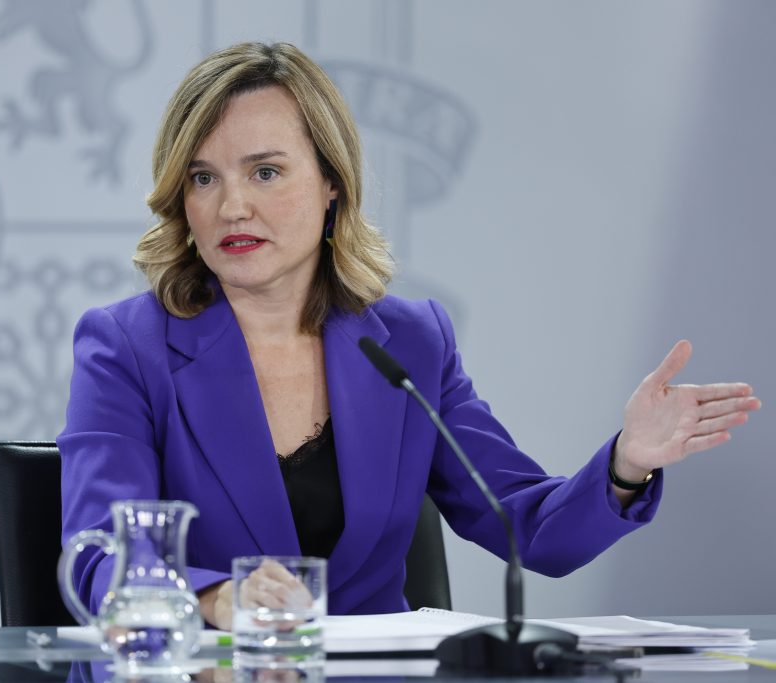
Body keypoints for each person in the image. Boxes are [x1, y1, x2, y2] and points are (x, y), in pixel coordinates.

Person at [58, 42, 760, 630]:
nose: (232, 205)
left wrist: (626, 465)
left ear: (332, 183)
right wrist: (214, 598)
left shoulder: (410, 343)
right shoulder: (127, 346)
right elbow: (99, 555)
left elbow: (527, 526)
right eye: (202, 178)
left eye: (265, 171)